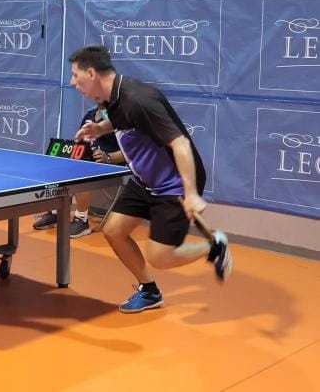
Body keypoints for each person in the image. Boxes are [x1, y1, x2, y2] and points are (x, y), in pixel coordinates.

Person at [69, 45, 232, 313]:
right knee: (113, 231)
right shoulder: (111, 97)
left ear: (91, 73)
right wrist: (100, 129)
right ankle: (150, 291)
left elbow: (180, 143)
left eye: (76, 75)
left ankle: (214, 246)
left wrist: (191, 194)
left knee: (160, 257)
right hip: (145, 180)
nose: (72, 82)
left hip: (173, 184)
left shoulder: (139, 99)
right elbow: (123, 119)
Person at [33, 102, 125, 238]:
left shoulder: (120, 117)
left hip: (112, 166)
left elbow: (130, 152)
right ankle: (56, 213)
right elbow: (80, 142)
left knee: (80, 174)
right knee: (57, 168)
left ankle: (82, 220)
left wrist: (108, 157)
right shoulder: (90, 115)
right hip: (89, 161)